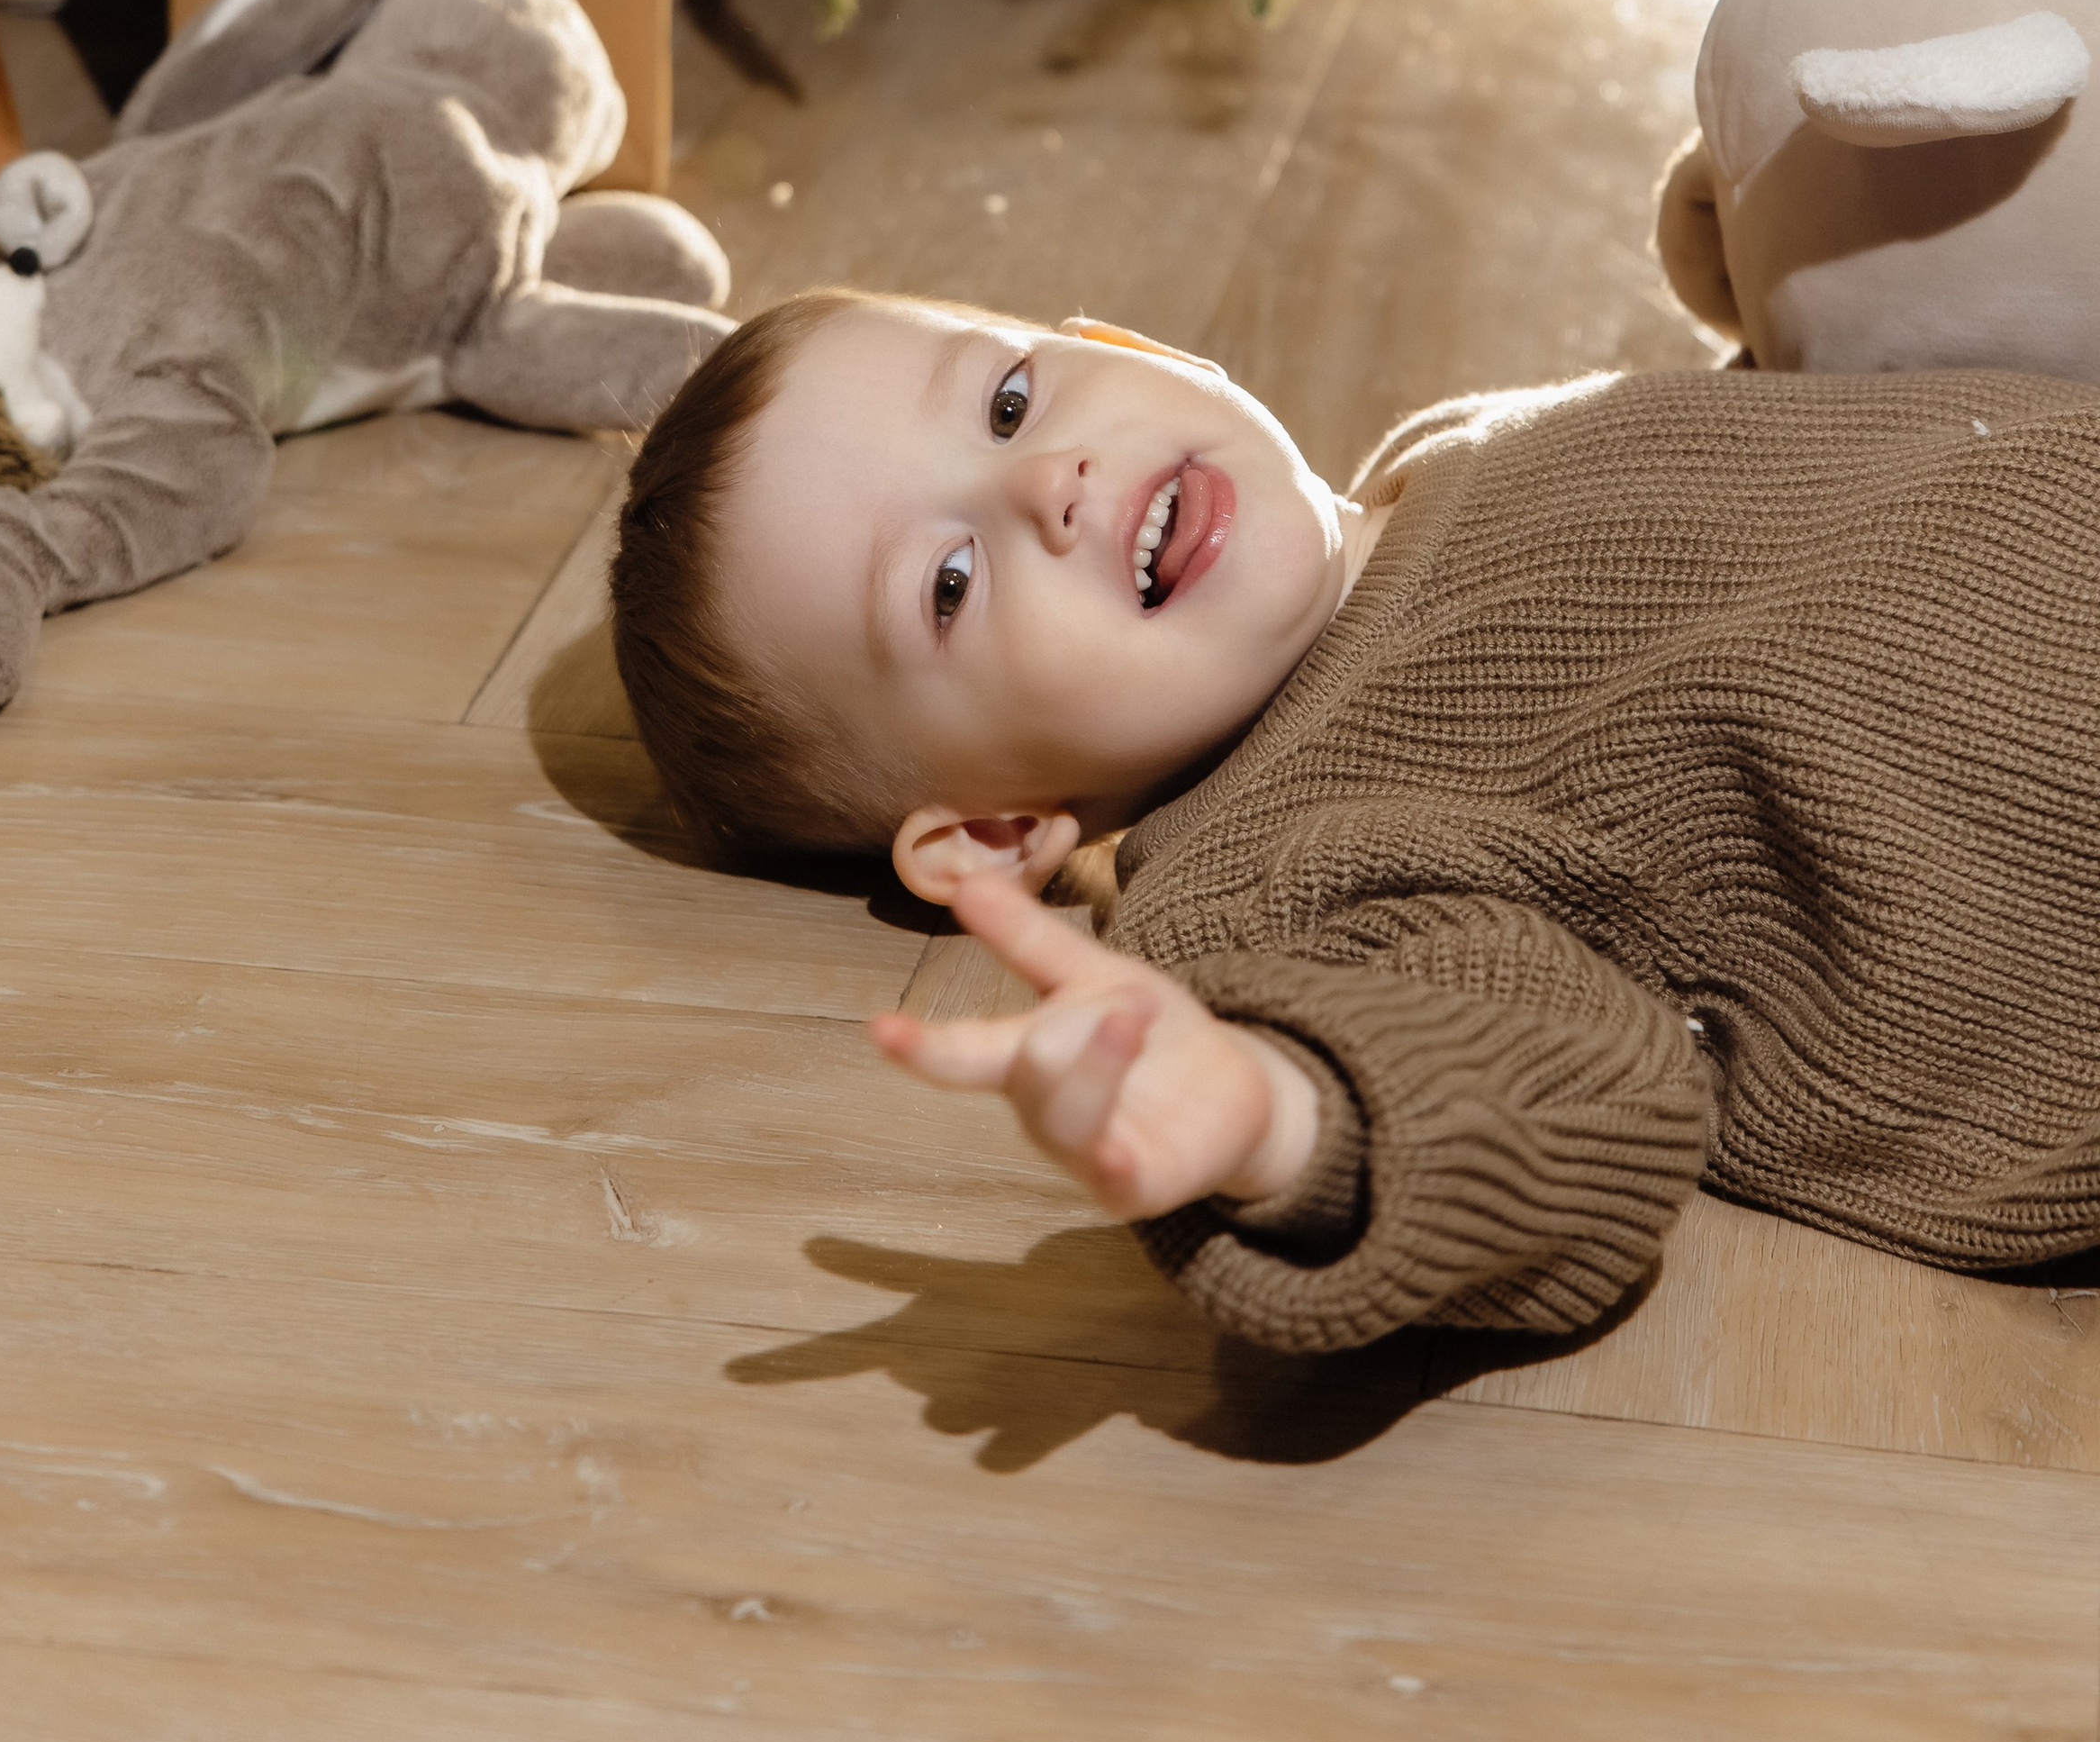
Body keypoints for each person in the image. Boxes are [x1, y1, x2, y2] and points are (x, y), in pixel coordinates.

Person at [609, 287, 2100, 1354]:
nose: (1047, 481)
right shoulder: (1272, 875)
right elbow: (1581, 1101)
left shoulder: (1459, 448)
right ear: (994, 834)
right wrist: (1281, 1117)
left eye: (1009, 398)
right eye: (946, 584)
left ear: (1131, 344)